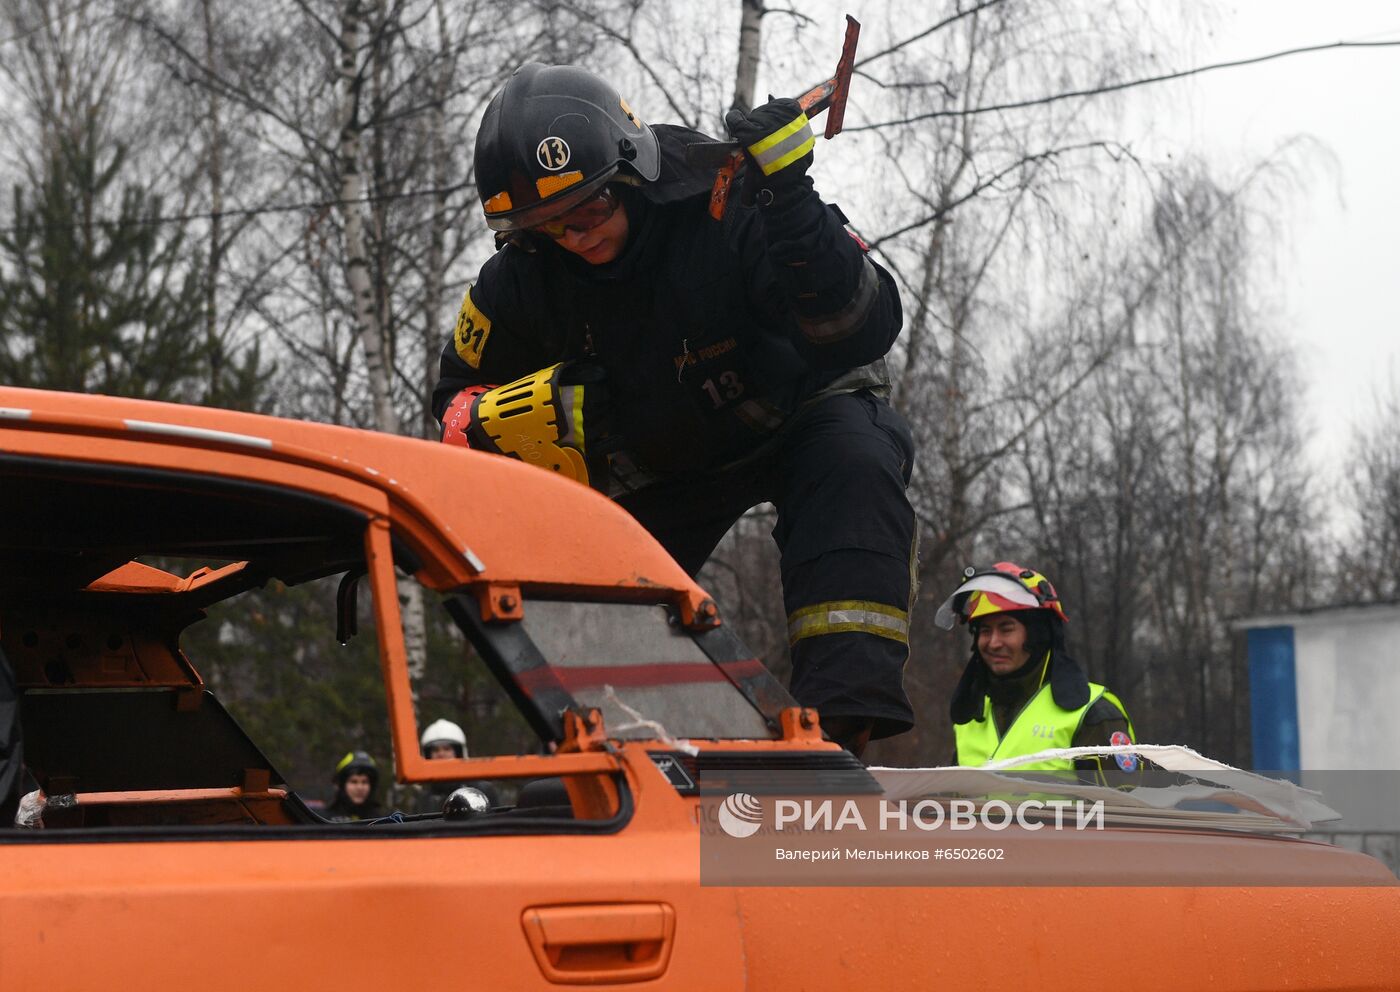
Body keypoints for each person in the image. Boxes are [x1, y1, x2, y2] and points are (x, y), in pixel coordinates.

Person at [432, 63, 917, 755]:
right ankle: (643, 749)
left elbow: (859, 327)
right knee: (587, 583)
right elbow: (453, 406)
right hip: (665, 461)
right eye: (545, 227)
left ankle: (837, 731)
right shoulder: (516, 284)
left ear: (629, 175)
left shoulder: (733, 201)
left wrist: (790, 201)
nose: (574, 237)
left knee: (857, 460)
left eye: (589, 211)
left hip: (797, 414)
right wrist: (529, 414)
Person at [934, 562, 1138, 783]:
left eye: (1006, 628)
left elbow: (1122, 812)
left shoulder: (1093, 713)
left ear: (1037, 634)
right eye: (985, 630)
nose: (993, 642)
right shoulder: (971, 717)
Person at [414, 718, 500, 813]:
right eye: (435, 750)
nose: (441, 754)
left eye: (447, 749)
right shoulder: (423, 798)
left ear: (459, 752)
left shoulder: (481, 791)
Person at [324, 750, 386, 822]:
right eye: (354, 782)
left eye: (365, 782)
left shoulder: (384, 820)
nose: (360, 787)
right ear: (341, 785)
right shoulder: (323, 819)